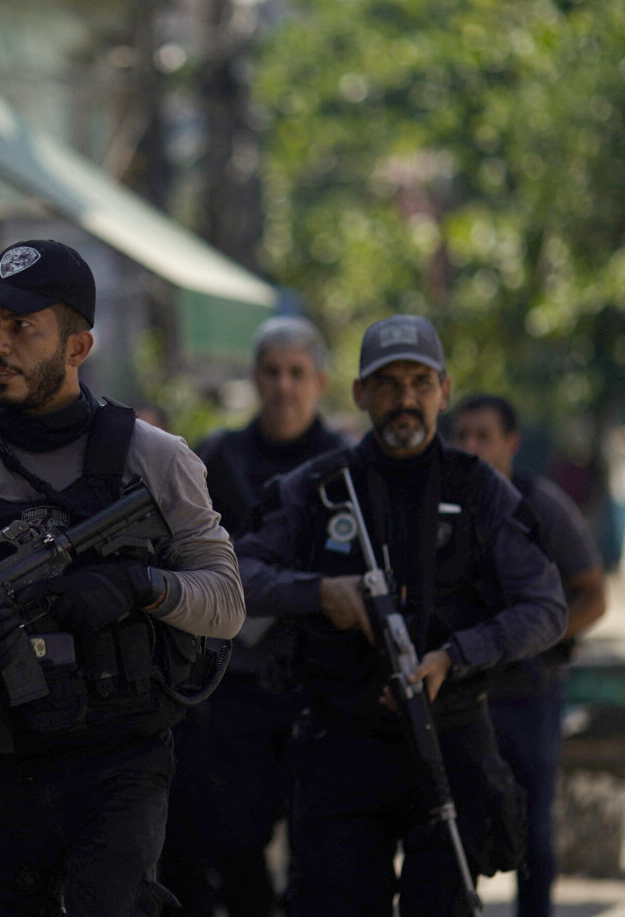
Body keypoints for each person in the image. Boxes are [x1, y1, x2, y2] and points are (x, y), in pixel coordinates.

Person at [0, 239, 245, 916]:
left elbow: (227, 601)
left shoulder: (152, 460)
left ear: (77, 346)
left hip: (116, 764)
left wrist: (139, 587)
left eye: (22, 328)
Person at [233, 314, 566, 917]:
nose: (405, 399)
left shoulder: (481, 491)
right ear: (360, 393)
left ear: (443, 388)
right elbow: (236, 577)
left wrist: (457, 655)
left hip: (449, 740)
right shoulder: (318, 488)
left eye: (419, 382)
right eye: (387, 384)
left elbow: (545, 608)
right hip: (340, 744)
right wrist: (318, 592)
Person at [161, 315, 346, 917]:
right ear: (255, 378)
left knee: (325, 850)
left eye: (297, 373)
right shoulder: (218, 458)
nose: (285, 385)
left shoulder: (348, 464)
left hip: (325, 684)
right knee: (234, 841)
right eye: (272, 372)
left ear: (319, 380)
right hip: (236, 683)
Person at [452, 394, 608, 917]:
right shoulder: (442, 504)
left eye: (484, 435)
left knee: (532, 832)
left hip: (528, 696)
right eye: (462, 435)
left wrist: (539, 637)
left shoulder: (541, 504)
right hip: (456, 692)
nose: (471, 446)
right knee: (452, 833)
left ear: (511, 443)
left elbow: (593, 595)